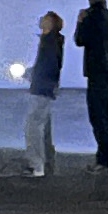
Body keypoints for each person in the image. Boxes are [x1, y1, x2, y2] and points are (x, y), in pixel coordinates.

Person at [74, 0, 108, 172]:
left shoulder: (90, 17)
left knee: (98, 117)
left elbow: (80, 40)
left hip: (96, 73)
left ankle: (103, 159)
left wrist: (79, 22)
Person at [18, 9, 65, 179]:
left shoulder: (49, 42)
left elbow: (49, 67)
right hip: (44, 89)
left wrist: (36, 78)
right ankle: (46, 163)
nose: (41, 20)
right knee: (41, 127)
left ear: (50, 24)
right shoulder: (52, 42)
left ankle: (36, 165)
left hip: (41, 90)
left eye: (45, 19)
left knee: (33, 126)